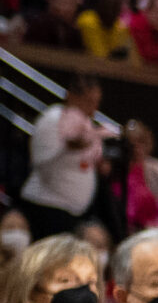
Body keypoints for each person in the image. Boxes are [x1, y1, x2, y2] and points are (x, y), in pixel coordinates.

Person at [21, 76, 106, 239]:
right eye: (88, 101)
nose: (93, 109)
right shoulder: (54, 118)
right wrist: (70, 149)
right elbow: (42, 164)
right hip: (46, 208)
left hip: (69, 213)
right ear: (71, 96)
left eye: (97, 102)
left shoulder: (85, 123)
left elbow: (84, 162)